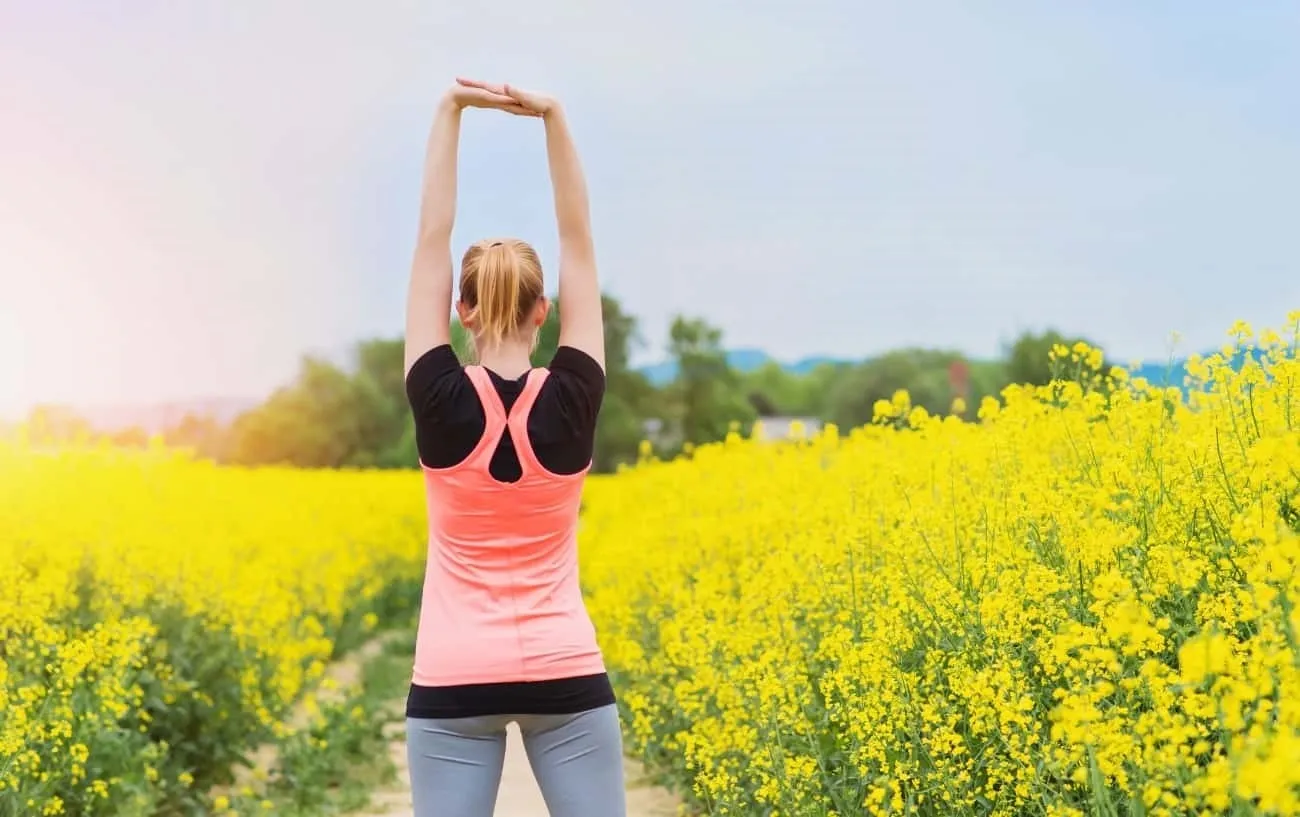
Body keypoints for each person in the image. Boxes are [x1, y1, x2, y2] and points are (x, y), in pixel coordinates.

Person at [400, 77, 625, 817]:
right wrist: (555, 118)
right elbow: (579, 240)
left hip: (452, 675)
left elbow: (433, 236)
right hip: (565, 669)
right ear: (544, 311)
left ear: (458, 311)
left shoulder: (436, 395)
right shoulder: (573, 394)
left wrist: (449, 111)